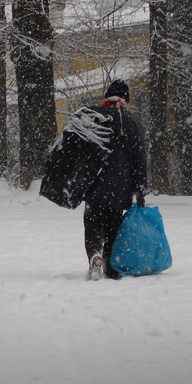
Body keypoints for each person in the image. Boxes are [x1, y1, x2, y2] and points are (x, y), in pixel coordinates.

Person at [83, 79, 148, 280]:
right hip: (120, 185)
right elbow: (139, 159)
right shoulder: (133, 122)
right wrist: (139, 189)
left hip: (94, 183)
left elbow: (81, 151)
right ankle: (111, 266)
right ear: (125, 99)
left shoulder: (92, 117)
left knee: (92, 223)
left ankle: (94, 253)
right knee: (113, 227)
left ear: (107, 97)